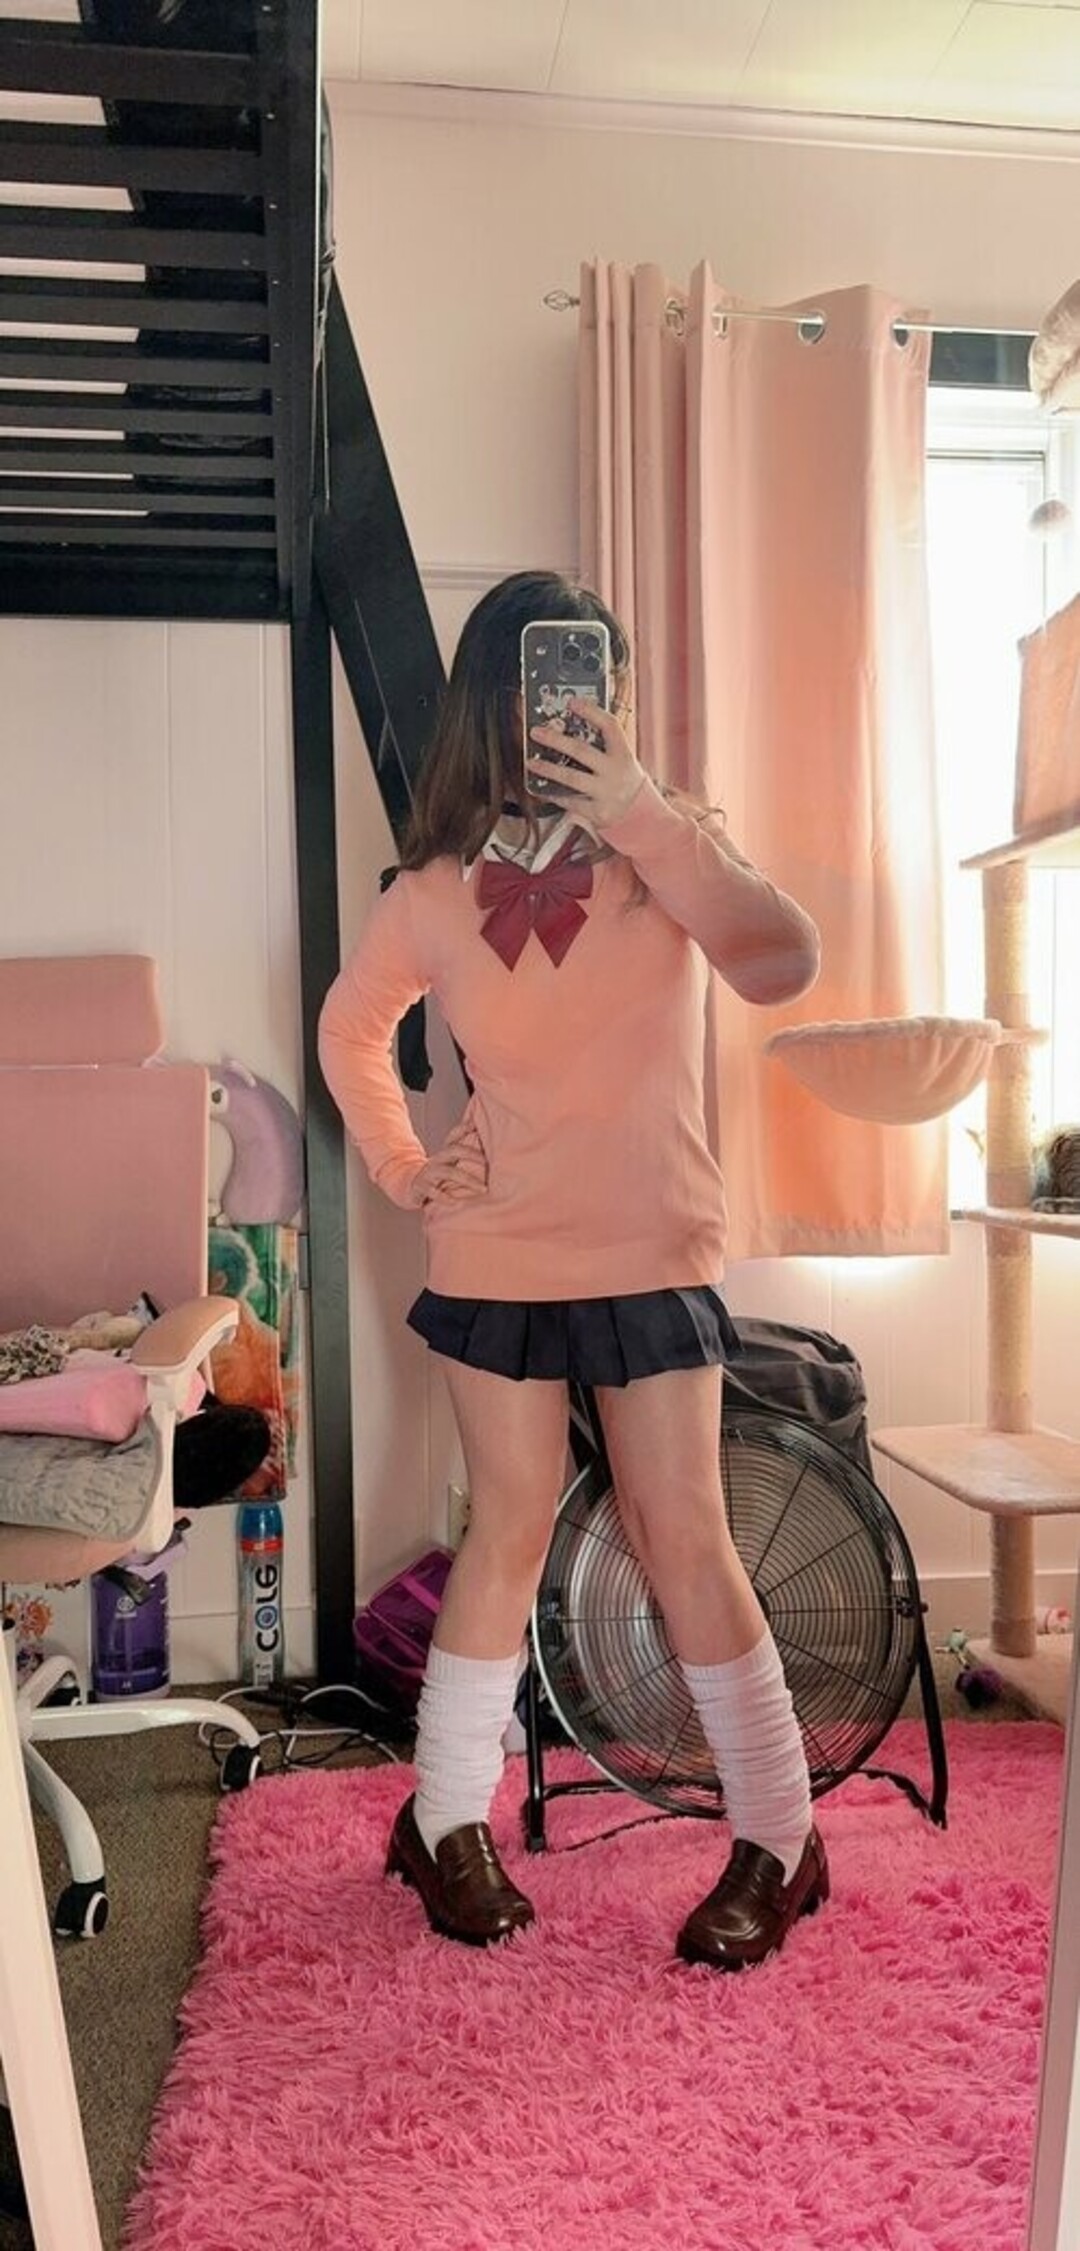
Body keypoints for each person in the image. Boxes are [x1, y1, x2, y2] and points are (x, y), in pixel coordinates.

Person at [318, 569, 827, 1970]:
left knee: (685, 1534)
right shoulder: (433, 892)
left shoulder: (670, 848)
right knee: (509, 1529)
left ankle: (782, 1834)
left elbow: (784, 963)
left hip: (651, 1242)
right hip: (497, 1251)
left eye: (600, 682)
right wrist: (408, 1170)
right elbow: (351, 1030)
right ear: (497, 701)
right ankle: (443, 1822)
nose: (576, 708)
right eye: (553, 681)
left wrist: (645, 813)